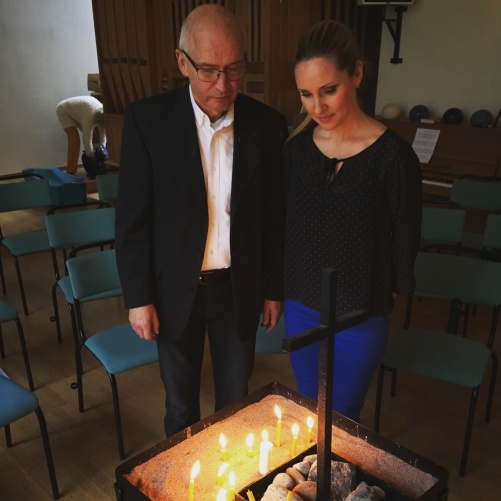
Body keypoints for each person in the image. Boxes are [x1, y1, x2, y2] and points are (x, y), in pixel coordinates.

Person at [115, 4, 288, 437]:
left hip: (239, 287)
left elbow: (274, 218)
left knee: (237, 404)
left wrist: (273, 287)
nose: (223, 84)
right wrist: (139, 298)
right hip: (174, 288)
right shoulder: (146, 121)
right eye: (209, 69)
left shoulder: (267, 126)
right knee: (180, 407)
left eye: (235, 69)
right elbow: (131, 220)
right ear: (182, 62)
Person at [283, 20, 422, 422]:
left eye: (329, 90)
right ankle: (314, 486)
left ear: (357, 73)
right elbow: (286, 227)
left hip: (360, 310)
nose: (317, 107)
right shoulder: (295, 151)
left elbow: (405, 236)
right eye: (306, 94)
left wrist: (393, 290)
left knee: (342, 418)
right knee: (310, 412)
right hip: (302, 303)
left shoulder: (394, 157)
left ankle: (342, 484)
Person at [56, 95, 106, 174]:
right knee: (74, 140)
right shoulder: (90, 117)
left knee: (96, 137)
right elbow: (87, 139)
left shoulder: (104, 113)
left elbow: (103, 135)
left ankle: (98, 167)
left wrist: (102, 151)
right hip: (64, 110)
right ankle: (70, 172)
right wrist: (91, 157)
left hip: (80, 112)